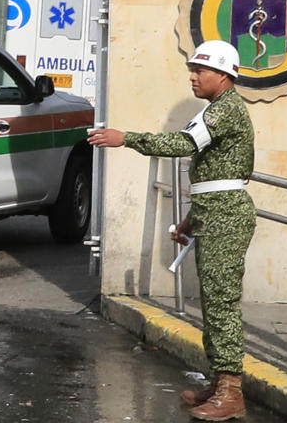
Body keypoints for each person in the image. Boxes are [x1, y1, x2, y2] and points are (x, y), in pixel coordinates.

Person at [90, 40, 254, 421]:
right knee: (213, 302)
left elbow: (182, 144)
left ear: (224, 75)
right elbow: (215, 178)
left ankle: (232, 391)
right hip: (216, 212)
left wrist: (125, 138)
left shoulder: (225, 110)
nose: (193, 77)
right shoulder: (217, 109)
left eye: (201, 71)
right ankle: (220, 380)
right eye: (192, 70)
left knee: (221, 302)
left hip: (226, 215)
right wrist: (191, 221)